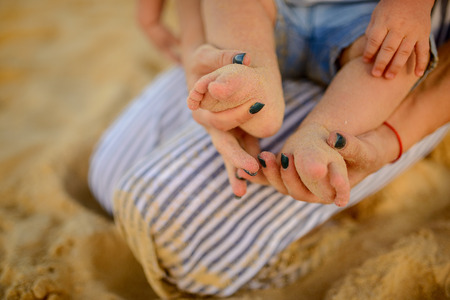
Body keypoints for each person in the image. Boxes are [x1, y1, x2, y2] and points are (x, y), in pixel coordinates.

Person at [88, 0, 450, 297]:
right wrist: (199, 58)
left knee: (397, 60)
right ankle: (253, 81)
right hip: (270, 19)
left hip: (373, 28)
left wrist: (410, 6)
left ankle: (320, 133)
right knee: (106, 175)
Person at [184, 0, 436, 207]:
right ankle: (256, 82)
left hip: (367, 20)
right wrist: (193, 53)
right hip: (270, 13)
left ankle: (320, 133)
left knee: (404, 55)